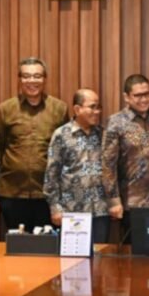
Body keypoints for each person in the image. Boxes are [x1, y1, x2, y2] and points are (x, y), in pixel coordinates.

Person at [102, 74, 149, 240]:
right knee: (136, 256)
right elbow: (108, 165)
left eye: (147, 94)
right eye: (138, 95)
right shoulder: (116, 122)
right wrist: (113, 200)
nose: (144, 99)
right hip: (133, 203)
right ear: (127, 97)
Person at [0, 58, 69, 234]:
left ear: (44, 79)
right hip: (12, 193)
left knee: (47, 249)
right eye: (26, 76)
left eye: (37, 76)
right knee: (17, 248)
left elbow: (65, 152)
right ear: (19, 79)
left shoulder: (59, 109)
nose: (32, 81)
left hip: (47, 195)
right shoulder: (6, 109)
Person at [44, 89, 109, 243]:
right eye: (92, 107)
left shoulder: (103, 134)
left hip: (100, 210)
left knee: (101, 258)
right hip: (72, 211)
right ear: (77, 109)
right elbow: (51, 174)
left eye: (99, 107)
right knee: (73, 261)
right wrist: (55, 208)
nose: (97, 111)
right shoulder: (61, 135)